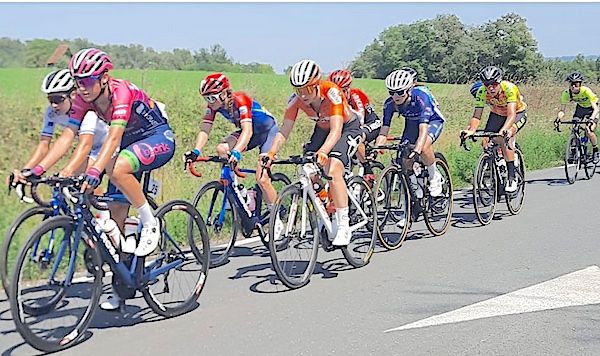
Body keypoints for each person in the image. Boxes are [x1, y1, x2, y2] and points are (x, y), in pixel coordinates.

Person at [69, 48, 175, 310]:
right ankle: (124, 284)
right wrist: (56, 173)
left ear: (104, 78)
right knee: (115, 225)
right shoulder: (83, 99)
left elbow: (113, 138)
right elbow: (69, 139)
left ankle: (150, 222)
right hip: (129, 146)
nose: (81, 88)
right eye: (77, 82)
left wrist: (94, 172)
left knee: (114, 170)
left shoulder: (122, 91)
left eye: (87, 81)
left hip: (156, 137)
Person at [263, 59, 362, 246]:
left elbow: (336, 130)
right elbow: (284, 130)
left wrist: (324, 151)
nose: (303, 95)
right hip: (322, 129)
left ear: (317, 85)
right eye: (298, 90)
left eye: (307, 90)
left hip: (347, 127)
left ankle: (343, 225)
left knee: (333, 169)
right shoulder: (295, 101)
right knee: (306, 168)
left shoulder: (332, 93)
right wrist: (272, 152)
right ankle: (327, 203)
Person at [183, 73, 280, 211]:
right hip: (250, 133)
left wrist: (237, 152)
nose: (209, 102)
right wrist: (196, 151)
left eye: (212, 97)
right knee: (222, 149)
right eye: (206, 98)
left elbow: (247, 130)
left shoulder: (240, 99)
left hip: (268, 132)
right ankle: (239, 192)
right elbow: (205, 129)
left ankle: (275, 214)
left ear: (223, 94)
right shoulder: (213, 106)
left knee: (262, 179)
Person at [12, 69, 108, 185]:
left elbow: (85, 145)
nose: (53, 105)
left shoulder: (88, 113)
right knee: (66, 187)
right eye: (50, 100)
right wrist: (27, 171)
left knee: (82, 183)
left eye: (58, 99)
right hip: (92, 149)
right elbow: (44, 145)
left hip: (108, 147)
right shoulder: (51, 113)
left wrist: (68, 170)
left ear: (72, 96)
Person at [376, 69, 446, 200]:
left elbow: (423, 129)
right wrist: (377, 147)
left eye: (400, 92)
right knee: (405, 157)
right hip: (412, 124)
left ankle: (434, 176)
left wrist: (418, 148)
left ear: (409, 90)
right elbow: (384, 129)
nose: (395, 96)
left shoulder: (420, 97)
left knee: (424, 146)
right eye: (391, 92)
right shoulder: (390, 104)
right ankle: (415, 186)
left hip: (432, 121)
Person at [460, 66, 527, 193]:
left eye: (494, 84)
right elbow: (477, 115)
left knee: (506, 136)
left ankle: (512, 176)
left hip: (517, 113)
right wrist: (471, 130)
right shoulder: (481, 91)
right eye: (487, 85)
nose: (490, 88)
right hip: (497, 114)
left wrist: (504, 130)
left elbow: (511, 115)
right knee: (486, 138)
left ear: (499, 82)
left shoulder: (509, 88)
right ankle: (495, 165)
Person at [327, 69, 381, 182]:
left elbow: (358, 123)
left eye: (342, 91)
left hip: (371, 123)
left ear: (348, 89)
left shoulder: (356, 96)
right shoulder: (331, 100)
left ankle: (367, 168)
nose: (338, 95)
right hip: (351, 124)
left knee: (358, 136)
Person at [555, 71, 599, 163]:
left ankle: (595, 150)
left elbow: (596, 109)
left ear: (580, 84)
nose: (573, 86)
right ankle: (575, 150)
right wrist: (558, 119)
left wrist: (591, 119)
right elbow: (562, 110)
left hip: (592, 109)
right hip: (581, 108)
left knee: (589, 129)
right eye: (571, 84)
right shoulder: (566, 93)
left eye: (576, 84)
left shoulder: (586, 91)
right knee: (574, 126)